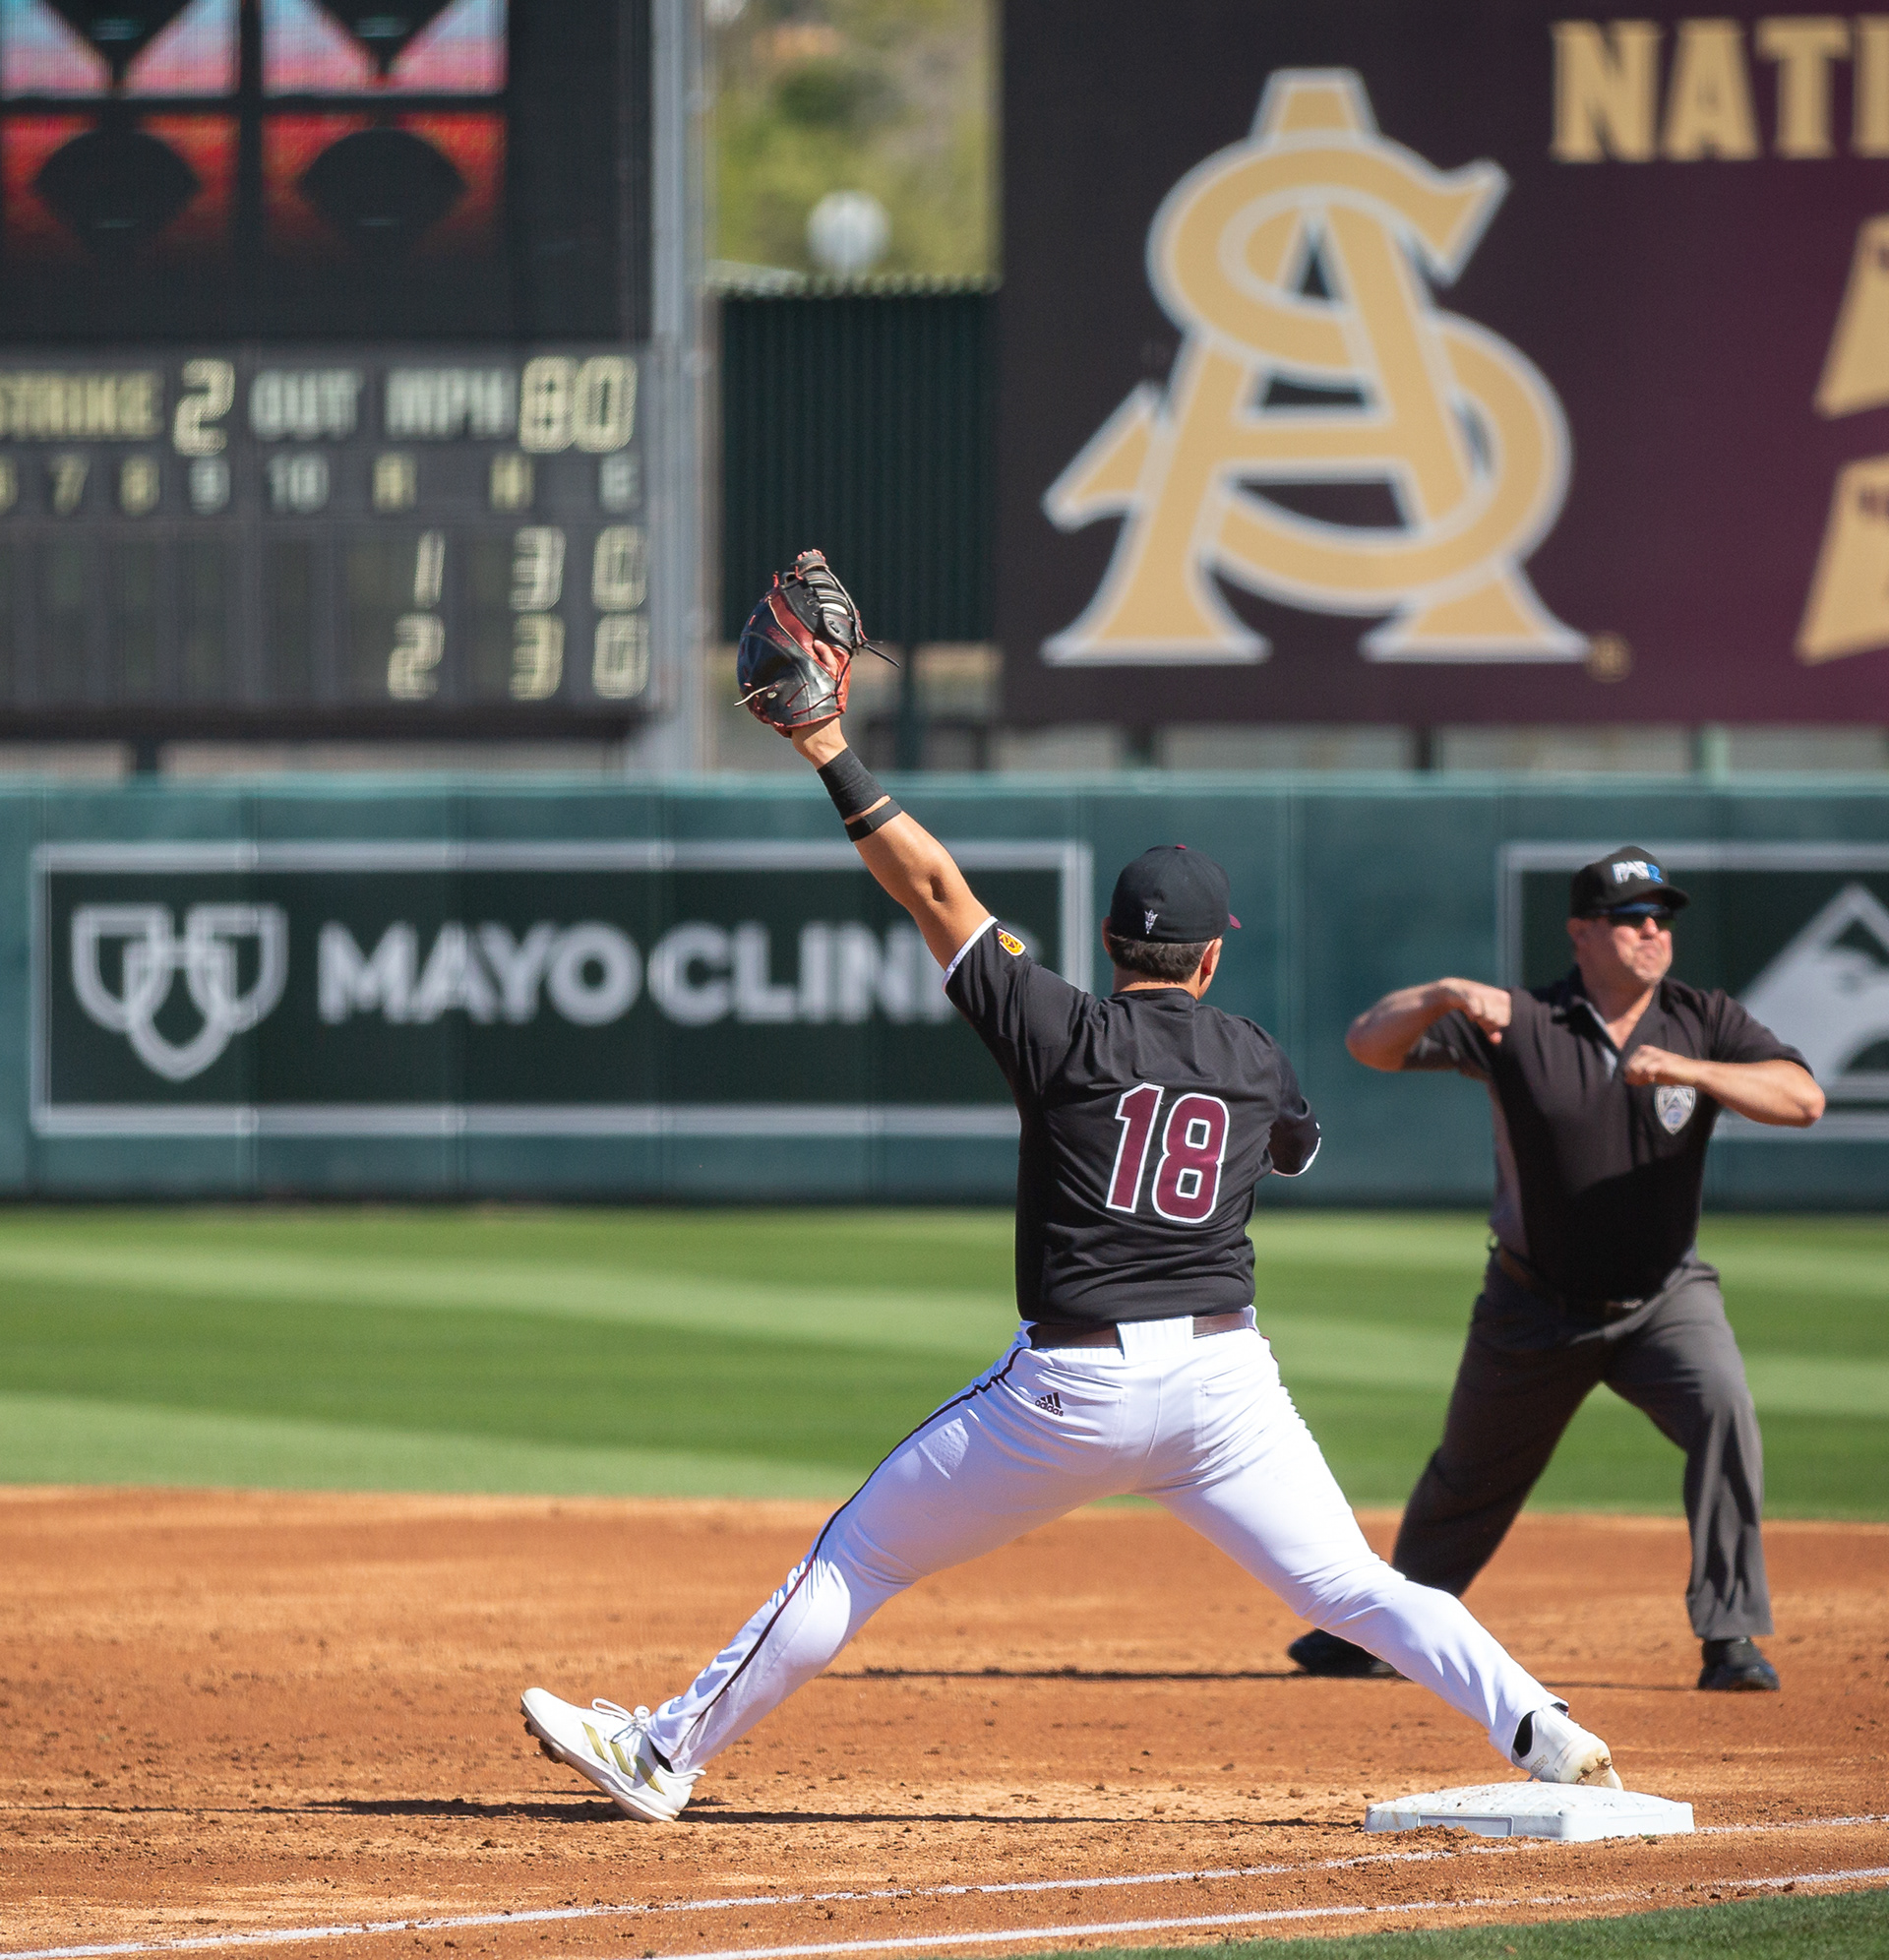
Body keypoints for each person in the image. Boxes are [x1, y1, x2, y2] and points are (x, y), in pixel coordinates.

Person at [517, 559, 1623, 1818]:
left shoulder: (1061, 1031)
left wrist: (825, 742)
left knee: (860, 1553)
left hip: (1071, 1388)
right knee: (1355, 1588)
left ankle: (664, 1754)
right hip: (1223, 1391)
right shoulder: (1252, 1055)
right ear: (1212, 957)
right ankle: (1538, 1724)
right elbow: (1297, 1153)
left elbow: (935, 890)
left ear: (1110, 947)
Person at [1289, 847, 1824, 1694]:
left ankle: (1730, 1639)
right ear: (1582, 932)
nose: (1653, 931)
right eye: (1631, 917)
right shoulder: (1523, 1021)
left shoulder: (1702, 1018)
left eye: (1662, 917)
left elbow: (1803, 1098)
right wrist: (1441, 994)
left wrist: (1694, 1071)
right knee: (1469, 1476)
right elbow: (1369, 1045)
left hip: (1663, 1300)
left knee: (1724, 1411)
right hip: (1535, 1302)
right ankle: (1383, 1630)